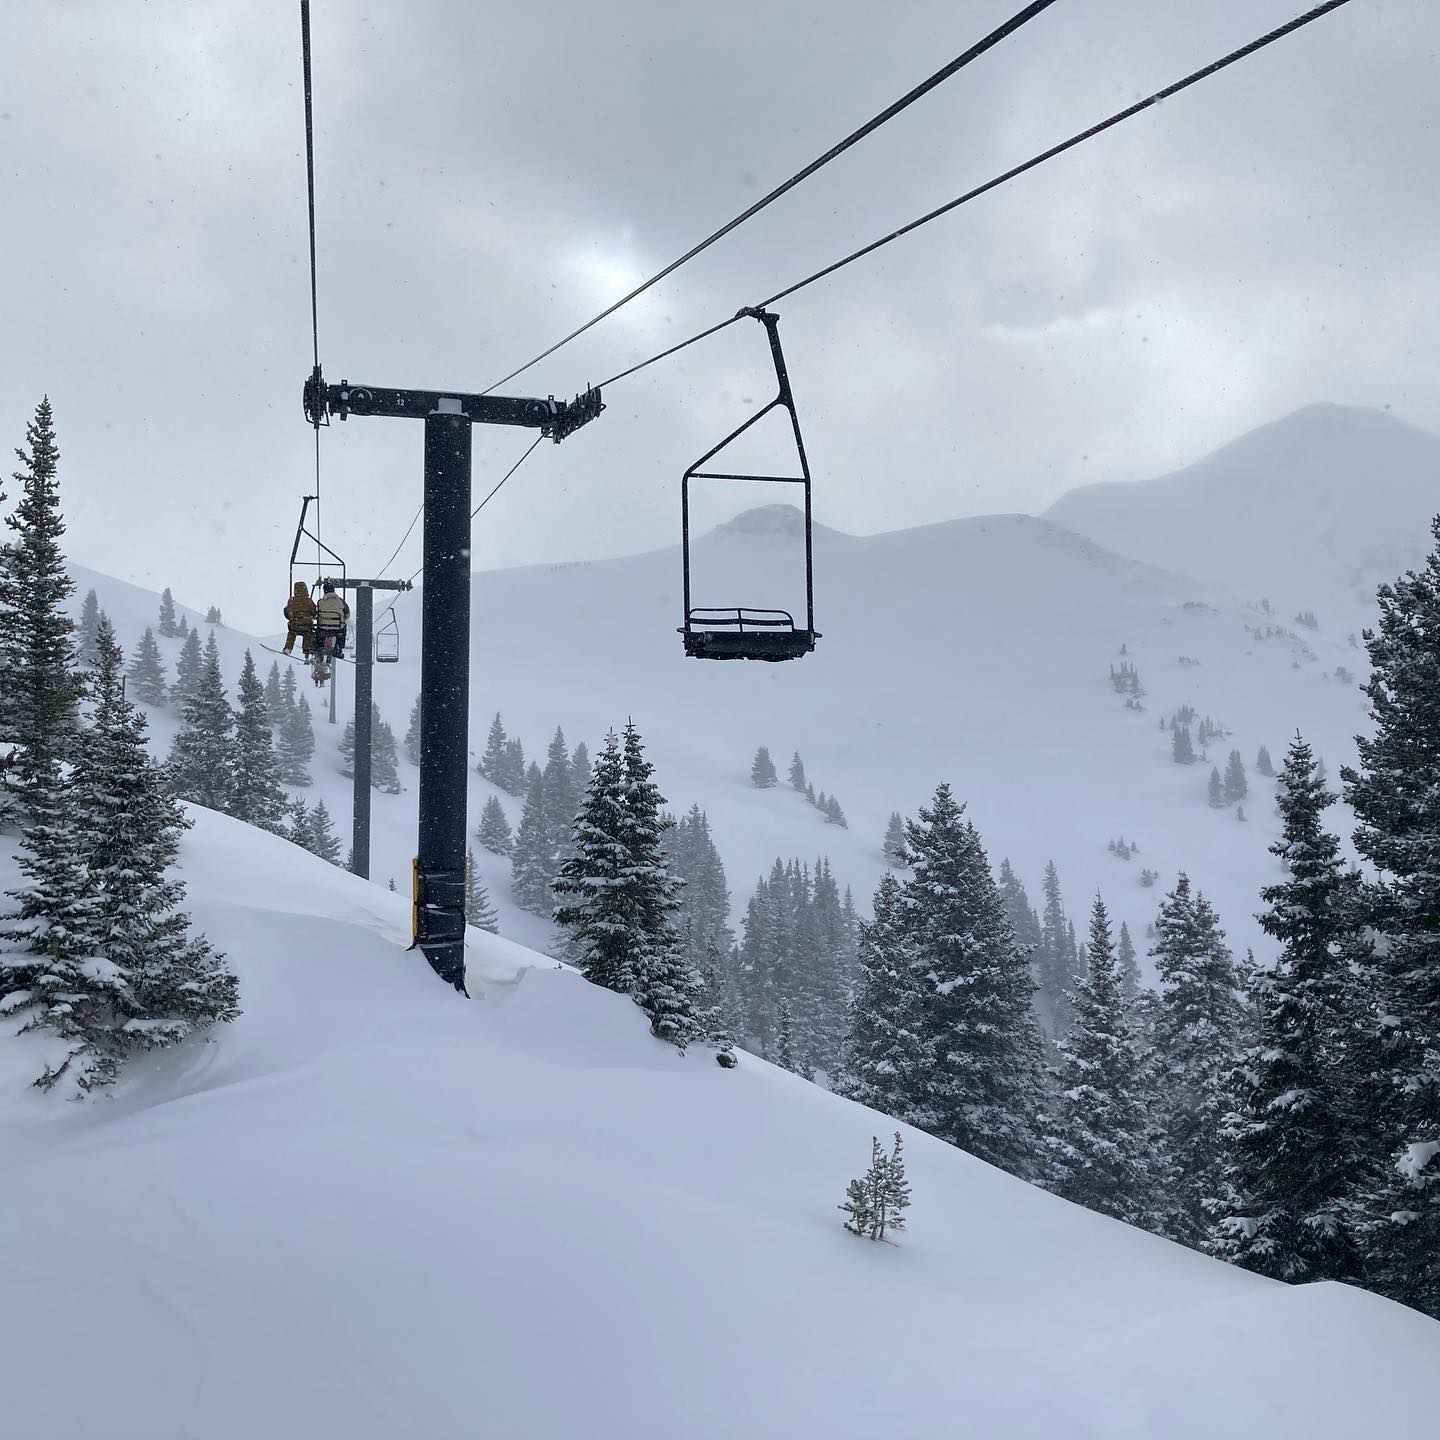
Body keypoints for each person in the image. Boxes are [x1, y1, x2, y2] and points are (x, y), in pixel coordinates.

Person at [315, 581, 350, 660]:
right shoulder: (341, 601)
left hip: (324, 629)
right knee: (343, 629)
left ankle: (320, 647)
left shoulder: (320, 602)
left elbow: (317, 613)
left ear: (324, 591)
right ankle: (339, 647)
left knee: (318, 631)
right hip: (338, 629)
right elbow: (347, 614)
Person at [282, 581, 316, 655]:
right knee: (308, 634)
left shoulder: (291, 601)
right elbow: (314, 612)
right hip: (306, 625)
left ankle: (288, 648)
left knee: (291, 634)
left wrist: (292, 618)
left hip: (295, 625)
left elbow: (288, 613)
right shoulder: (309, 601)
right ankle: (306, 649)